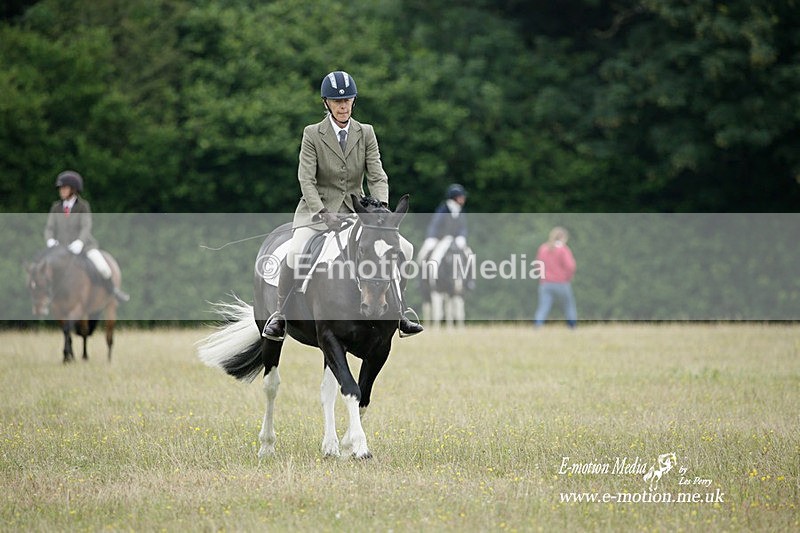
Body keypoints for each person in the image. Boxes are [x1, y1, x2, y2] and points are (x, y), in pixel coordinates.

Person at [261, 70, 423, 341]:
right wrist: (322, 212)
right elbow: (306, 179)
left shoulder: (366, 132)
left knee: (404, 247)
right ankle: (279, 315)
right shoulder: (312, 134)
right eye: (337, 101)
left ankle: (400, 313)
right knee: (296, 252)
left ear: (354, 101)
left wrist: (380, 210)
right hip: (317, 213)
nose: (343, 105)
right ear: (326, 103)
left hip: (358, 213)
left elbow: (377, 174)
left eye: (347, 100)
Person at [44, 170, 129, 302]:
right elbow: (49, 228)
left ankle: (114, 292)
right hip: (61, 249)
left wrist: (80, 242)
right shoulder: (56, 208)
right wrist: (50, 240)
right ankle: (46, 299)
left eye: (64, 188)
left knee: (103, 268)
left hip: (84, 247)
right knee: (44, 269)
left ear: (73, 190)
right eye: (60, 188)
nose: (61, 191)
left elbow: (86, 226)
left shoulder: (83, 206)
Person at [417, 183, 469, 269]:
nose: (464, 198)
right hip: (440, 239)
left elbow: (463, 227)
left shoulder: (461, 211)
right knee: (423, 255)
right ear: (455, 197)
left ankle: (470, 281)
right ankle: (421, 280)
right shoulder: (443, 209)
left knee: (469, 255)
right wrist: (431, 237)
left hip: (455, 240)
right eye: (461, 196)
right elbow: (434, 225)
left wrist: (462, 236)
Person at [533, 226, 577, 328]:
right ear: (563, 238)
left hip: (545, 283)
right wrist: (568, 277)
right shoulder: (563, 250)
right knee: (569, 306)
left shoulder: (543, 248)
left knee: (543, 307)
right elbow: (570, 266)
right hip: (561, 283)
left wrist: (542, 277)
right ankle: (572, 327)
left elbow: (537, 265)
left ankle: (537, 327)